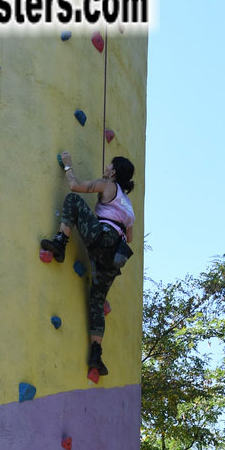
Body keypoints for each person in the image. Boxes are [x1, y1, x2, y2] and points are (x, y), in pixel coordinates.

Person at [41, 152, 136, 377]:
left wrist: (68, 166)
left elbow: (75, 187)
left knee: (73, 200)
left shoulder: (107, 186)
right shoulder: (129, 206)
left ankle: (60, 243)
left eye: (109, 165)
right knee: (97, 301)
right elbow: (129, 238)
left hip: (102, 237)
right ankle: (96, 355)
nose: (105, 166)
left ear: (113, 172)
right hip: (115, 256)